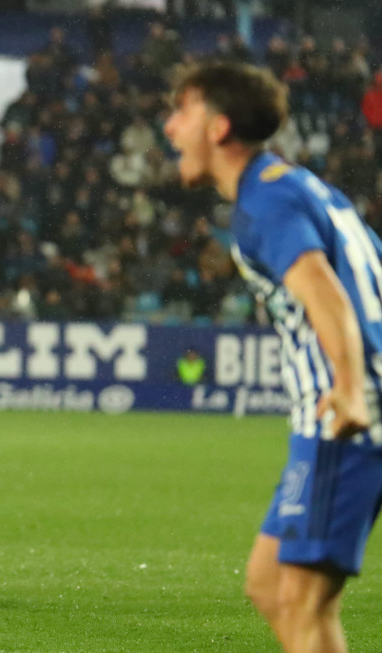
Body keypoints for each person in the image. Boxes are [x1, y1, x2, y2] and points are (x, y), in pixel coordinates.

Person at [164, 61, 382, 653]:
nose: (169, 127)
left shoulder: (266, 202)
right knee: (267, 584)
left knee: (301, 600)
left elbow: (324, 293)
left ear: (218, 126)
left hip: (345, 412)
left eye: (182, 111)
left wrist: (353, 389)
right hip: (335, 413)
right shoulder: (295, 185)